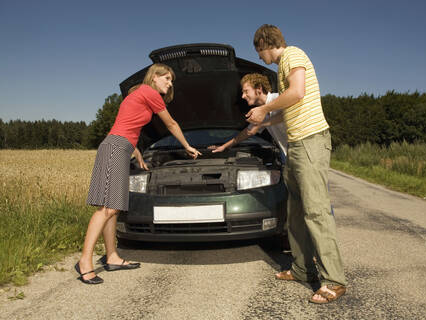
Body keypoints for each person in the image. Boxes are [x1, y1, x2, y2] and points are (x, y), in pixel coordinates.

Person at [246, 24, 347, 304]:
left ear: (266, 43)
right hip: (297, 145)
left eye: (258, 51)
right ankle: (302, 269)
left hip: (310, 141)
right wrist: (265, 122)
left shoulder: (292, 55)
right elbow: (290, 107)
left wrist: (264, 108)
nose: (259, 57)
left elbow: (298, 92)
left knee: (316, 212)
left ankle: (334, 281)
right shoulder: (284, 66)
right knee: (296, 212)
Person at [75, 63, 201, 284]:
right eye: (167, 79)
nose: (170, 83)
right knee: (107, 208)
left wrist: (138, 154)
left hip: (121, 148)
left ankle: (112, 256)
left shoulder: (140, 95)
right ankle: (85, 260)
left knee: (113, 207)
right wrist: (187, 145)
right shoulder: (150, 92)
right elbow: (171, 123)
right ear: (154, 78)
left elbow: (125, 126)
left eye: (171, 80)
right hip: (115, 148)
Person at [209, 73, 287, 158]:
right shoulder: (259, 112)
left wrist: (262, 124)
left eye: (246, 91)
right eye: (243, 92)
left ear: (259, 89)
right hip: (289, 154)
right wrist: (224, 146)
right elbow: (247, 132)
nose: (243, 96)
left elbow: (288, 114)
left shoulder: (279, 98)